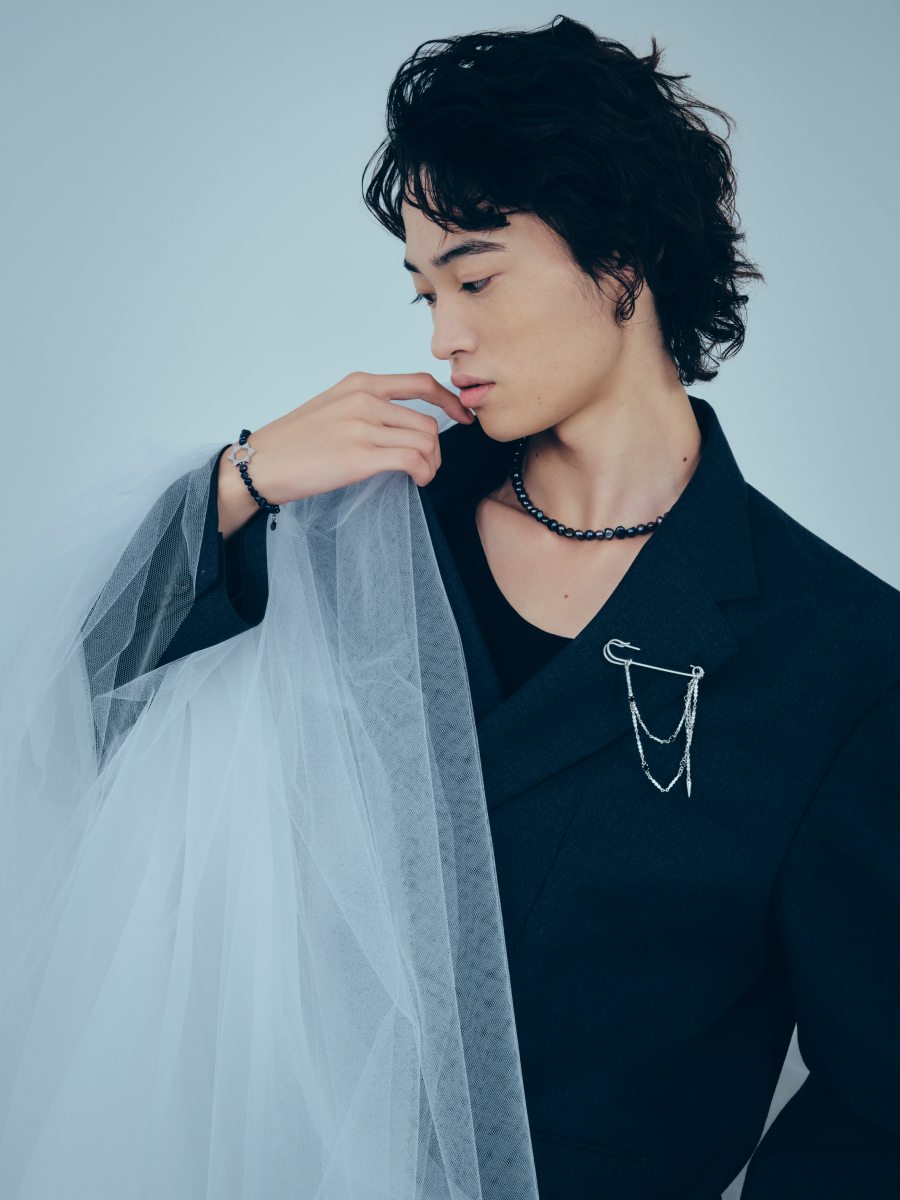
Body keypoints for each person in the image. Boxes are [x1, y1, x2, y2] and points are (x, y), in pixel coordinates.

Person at [3, 15, 898, 1200]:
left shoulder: (843, 656)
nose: (444, 335)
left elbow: (879, 1104)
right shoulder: (366, 522)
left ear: (624, 256)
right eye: (425, 290)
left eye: (475, 278)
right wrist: (243, 478)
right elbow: (70, 701)